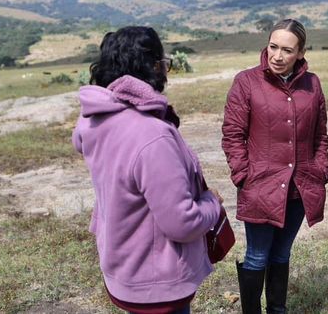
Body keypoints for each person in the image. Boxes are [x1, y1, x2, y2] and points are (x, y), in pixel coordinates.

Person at [72, 26, 223, 314]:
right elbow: (182, 223)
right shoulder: (152, 137)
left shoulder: (94, 121)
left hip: (123, 269)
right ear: (154, 67)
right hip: (156, 283)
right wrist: (212, 203)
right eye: (163, 63)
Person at [222, 18, 328, 313]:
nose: (277, 56)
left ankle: (277, 310)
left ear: (300, 53)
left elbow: (320, 134)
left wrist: (321, 169)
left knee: (282, 254)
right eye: (273, 47)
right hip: (261, 186)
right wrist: (243, 174)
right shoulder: (246, 82)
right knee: (258, 256)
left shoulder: (312, 84)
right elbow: (233, 134)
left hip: (300, 187)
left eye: (286, 50)